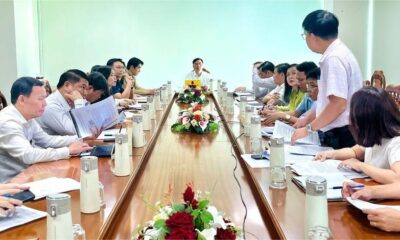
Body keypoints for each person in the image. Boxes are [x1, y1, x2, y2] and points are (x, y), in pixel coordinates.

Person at [291, 10, 363, 149]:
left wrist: (308, 129)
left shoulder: (334, 58)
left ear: (312, 36)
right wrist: (307, 119)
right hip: (344, 129)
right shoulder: (339, 52)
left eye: (304, 35)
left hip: (342, 133)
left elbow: (338, 104)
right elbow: (327, 102)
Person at [0, 77, 91, 182]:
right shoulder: (7, 122)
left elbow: (46, 140)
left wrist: (81, 138)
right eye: (40, 99)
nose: (45, 103)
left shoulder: (26, 115)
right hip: (11, 184)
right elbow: (28, 155)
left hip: (29, 174)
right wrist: (68, 151)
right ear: (22, 100)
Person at [315, 87, 400, 184]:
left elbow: (397, 178)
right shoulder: (376, 134)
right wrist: (330, 154)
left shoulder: (396, 143)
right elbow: (355, 151)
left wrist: (361, 166)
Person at [37, 69, 90, 136]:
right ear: (67, 85)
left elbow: (91, 124)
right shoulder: (50, 105)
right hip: (56, 146)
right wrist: (79, 103)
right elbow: (76, 131)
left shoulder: (72, 102)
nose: (85, 93)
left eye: (87, 89)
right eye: (83, 87)